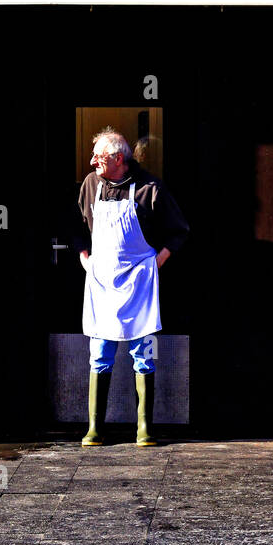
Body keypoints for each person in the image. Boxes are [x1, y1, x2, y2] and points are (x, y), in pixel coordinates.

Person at [75, 127, 189, 447]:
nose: (92, 161)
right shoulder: (90, 186)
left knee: (143, 354)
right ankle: (95, 428)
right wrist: (84, 257)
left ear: (118, 159)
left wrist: (158, 262)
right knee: (99, 354)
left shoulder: (150, 189)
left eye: (98, 156)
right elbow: (77, 226)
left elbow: (179, 231)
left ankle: (144, 428)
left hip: (139, 281)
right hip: (101, 282)